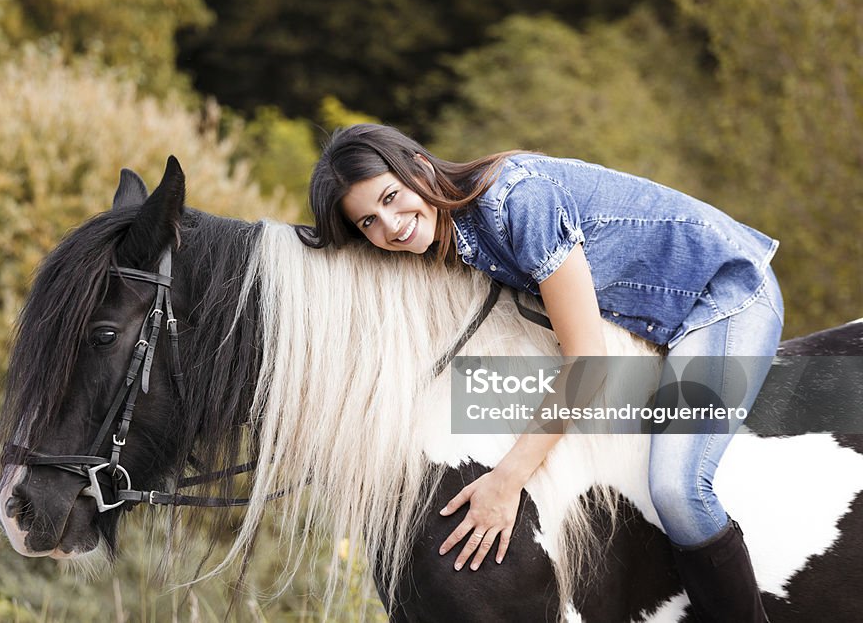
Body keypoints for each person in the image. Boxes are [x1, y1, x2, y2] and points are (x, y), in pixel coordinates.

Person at [298, 123, 782, 622]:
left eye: (392, 197)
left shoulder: (517, 201)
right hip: (654, 320)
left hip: (722, 296)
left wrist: (506, 481)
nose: (391, 225)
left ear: (418, 167)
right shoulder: (456, 238)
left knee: (677, 489)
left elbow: (589, 363)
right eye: (368, 223)